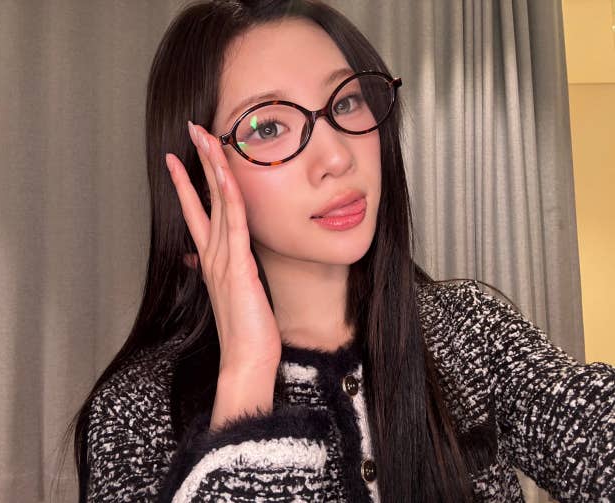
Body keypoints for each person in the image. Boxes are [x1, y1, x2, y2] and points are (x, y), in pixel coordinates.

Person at [67, 0, 615, 501]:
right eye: (268, 127)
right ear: (198, 179)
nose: (336, 156)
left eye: (347, 101)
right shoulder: (136, 410)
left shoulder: (467, 329)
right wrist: (246, 381)